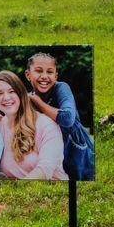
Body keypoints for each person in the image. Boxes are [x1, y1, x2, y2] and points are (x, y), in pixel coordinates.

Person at [23, 52, 94, 180]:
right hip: (53, 156)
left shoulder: (61, 88)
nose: (44, 76)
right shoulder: (27, 98)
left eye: (49, 72)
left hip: (78, 154)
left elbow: (67, 118)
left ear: (56, 76)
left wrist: (39, 103)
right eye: (39, 71)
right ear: (28, 75)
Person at [0, 71, 66, 180]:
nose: (6, 97)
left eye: (11, 91)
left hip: (51, 191)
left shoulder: (46, 125)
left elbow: (45, 170)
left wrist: (16, 189)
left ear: (21, 94)